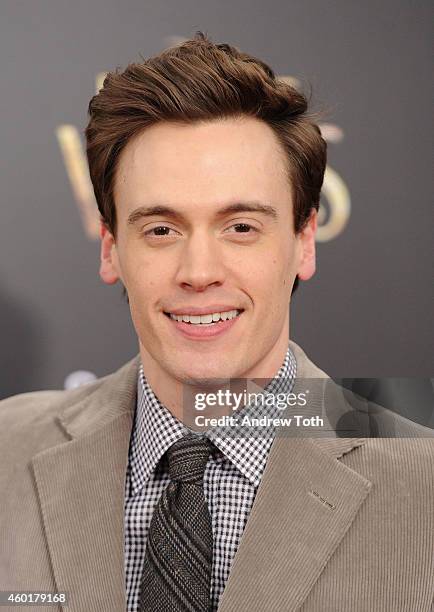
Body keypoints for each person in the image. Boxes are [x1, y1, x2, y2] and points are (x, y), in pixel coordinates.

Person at [1, 32, 433, 612]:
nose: (199, 272)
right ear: (110, 248)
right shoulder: (6, 450)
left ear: (303, 241)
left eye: (241, 227)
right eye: (161, 230)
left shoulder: (422, 492)